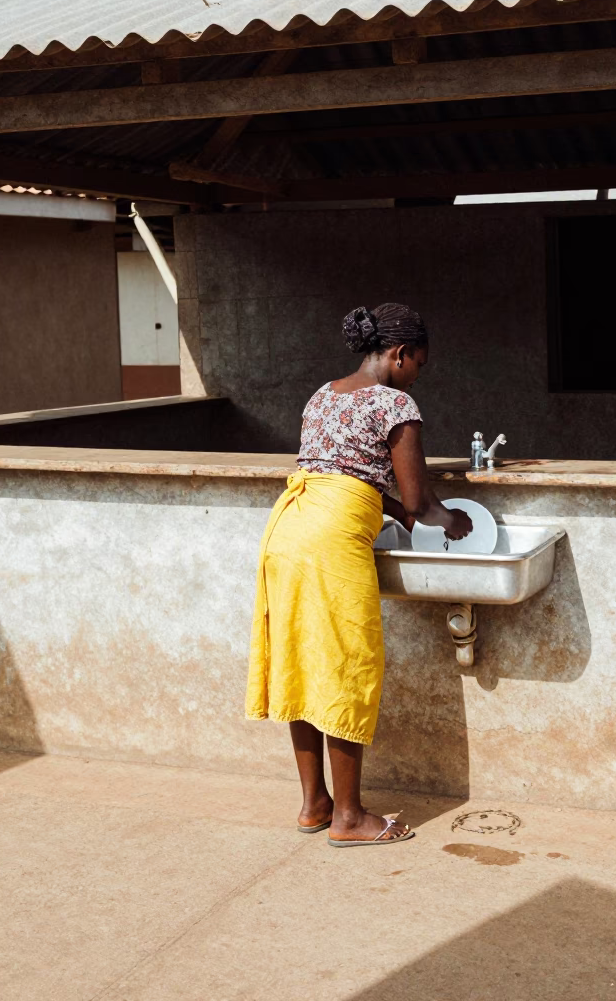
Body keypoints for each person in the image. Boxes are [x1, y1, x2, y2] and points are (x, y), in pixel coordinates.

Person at [246, 303, 472, 847]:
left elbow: (349, 478)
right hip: (330, 542)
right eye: (419, 362)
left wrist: (398, 510)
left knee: (301, 662)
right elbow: (418, 502)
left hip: (288, 530)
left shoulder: (324, 393)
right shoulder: (396, 403)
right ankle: (349, 819)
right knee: (347, 664)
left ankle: (314, 804)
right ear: (399, 354)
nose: (419, 373)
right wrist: (453, 519)